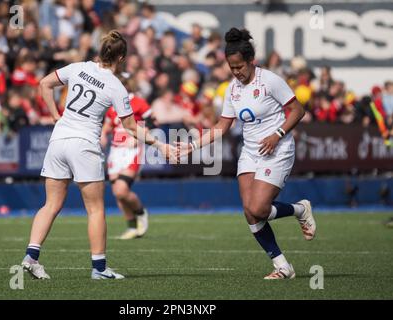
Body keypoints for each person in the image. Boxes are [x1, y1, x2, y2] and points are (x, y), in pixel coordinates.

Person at [20, 30, 175, 280]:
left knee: (50, 204)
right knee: (95, 209)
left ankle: (30, 257)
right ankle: (100, 269)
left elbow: (44, 83)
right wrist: (160, 145)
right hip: (84, 145)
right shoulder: (116, 86)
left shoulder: (78, 67)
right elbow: (131, 127)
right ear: (121, 58)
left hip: (59, 140)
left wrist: (54, 115)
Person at [177, 28, 317, 279]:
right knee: (250, 212)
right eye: (232, 68)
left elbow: (298, 110)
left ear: (251, 61)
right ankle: (282, 266)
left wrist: (278, 135)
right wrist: (193, 145)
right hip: (250, 152)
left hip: (278, 149)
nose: (237, 72)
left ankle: (300, 210)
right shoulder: (232, 89)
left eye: (240, 66)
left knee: (259, 208)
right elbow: (222, 126)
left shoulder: (270, 80)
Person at [101, 75, 152, 240]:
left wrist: (137, 137)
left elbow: (152, 124)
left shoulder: (138, 102)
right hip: (116, 151)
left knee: (122, 190)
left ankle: (140, 212)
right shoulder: (112, 104)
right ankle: (131, 226)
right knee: (117, 193)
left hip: (132, 151)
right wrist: (103, 134)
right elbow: (109, 124)